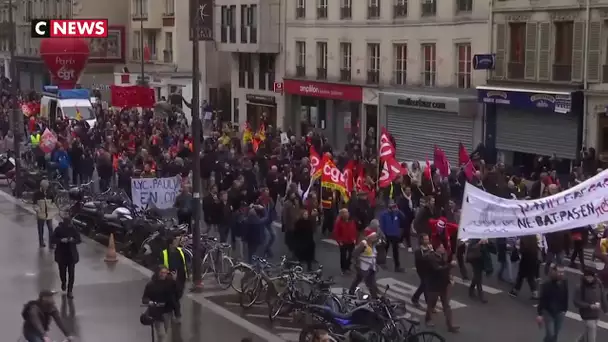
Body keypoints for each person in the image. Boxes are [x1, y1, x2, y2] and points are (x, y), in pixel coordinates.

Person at [424, 243, 460, 333]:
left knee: (446, 306)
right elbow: (438, 269)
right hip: (434, 285)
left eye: (443, 247)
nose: (443, 248)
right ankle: (427, 319)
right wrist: (450, 265)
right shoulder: (431, 257)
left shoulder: (443, 256)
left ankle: (450, 325)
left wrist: (449, 277)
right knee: (431, 305)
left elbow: (445, 269)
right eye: (441, 247)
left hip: (443, 285)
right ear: (436, 249)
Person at [142, 266, 179, 342]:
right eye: (162, 272)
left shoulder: (170, 283)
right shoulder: (151, 285)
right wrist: (150, 302)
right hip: (156, 312)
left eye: (165, 273)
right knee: (162, 334)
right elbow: (144, 298)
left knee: (164, 332)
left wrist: (175, 281)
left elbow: (177, 294)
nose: (163, 275)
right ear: (158, 273)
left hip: (167, 311)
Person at [573, 268, 608, 342]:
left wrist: (606, 310)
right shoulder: (580, 287)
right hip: (587, 315)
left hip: (596, 314)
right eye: (587, 277)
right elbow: (576, 301)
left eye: (590, 277)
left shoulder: (598, 283)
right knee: (591, 336)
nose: (589, 279)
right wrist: (589, 306)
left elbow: (603, 297)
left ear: (594, 276)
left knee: (588, 331)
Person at [51, 217, 81, 299]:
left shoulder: (73, 229)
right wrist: (61, 240)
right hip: (61, 254)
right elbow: (52, 239)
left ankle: (70, 290)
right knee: (62, 272)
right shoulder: (58, 229)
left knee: (71, 274)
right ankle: (63, 282)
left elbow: (79, 239)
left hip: (71, 255)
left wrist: (72, 240)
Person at [536, 264, 568, 342]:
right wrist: (540, 314)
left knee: (555, 333)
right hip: (548, 312)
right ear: (554, 272)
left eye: (562, 272)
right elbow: (542, 299)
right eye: (559, 272)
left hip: (560, 312)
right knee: (550, 333)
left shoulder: (564, 283)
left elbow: (566, 296)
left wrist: (565, 310)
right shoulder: (547, 285)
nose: (561, 274)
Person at [160, 235, 189, 322]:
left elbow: (184, 264)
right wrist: (169, 275)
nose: (177, 242)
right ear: (170, 244)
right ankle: (177, 315)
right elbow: (161, 267)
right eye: (175, 241)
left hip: (180, 278)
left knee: (177, 296)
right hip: (169, 279)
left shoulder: (180, 251)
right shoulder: (164, 253)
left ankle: (172, 311)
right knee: (174, 298)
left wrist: (186, 275)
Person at [349, 230, 380, 298]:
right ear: (369, 237)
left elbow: (373, 256)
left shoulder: (373, 244)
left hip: (371, 267)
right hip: (363, 267)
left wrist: (375, 265)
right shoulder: (363, 244)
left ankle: (351, 291)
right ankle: (374, 297)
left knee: (359, 279)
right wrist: (357, 263)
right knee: (369, 282)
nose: (376, 238)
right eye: (374, 237)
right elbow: (354, 253)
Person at [378, 200, 405, 272]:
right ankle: (382, 263)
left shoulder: (397, 213)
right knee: (385, 250)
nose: (393, 207)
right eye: (391, 206)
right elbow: (382, 225)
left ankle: (397, 266)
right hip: (386, 234)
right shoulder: (383, 214)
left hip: (395, 234)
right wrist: (382, 234)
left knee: (395, 251)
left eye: (393, 205)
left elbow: (403, 218)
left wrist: (398, 210)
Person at [333, 208, 357, 275]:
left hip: (351, 241)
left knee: (351, 255)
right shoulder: (339, 222)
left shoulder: (351, 221)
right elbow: (336, 233)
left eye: (347, 212)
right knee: (343, 255)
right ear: (341, 214)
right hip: (343, 242)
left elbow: (354, 230)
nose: (346, 214)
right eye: (344, 213)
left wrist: (354, 238)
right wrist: (339, 241)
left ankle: (348, 267)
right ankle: (343, 268)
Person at [33, 180, 56, 248]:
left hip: (49, 213)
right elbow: (34, 204)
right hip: (41, 213)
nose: (46, 188)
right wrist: (38, 210)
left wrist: (52, 209)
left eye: (47, 187)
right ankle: (41, 241)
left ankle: (51, 243)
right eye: (45, 187)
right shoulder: (37, 193)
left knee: (50, 228)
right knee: (40, 228)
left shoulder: (50, 193)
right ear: (42, 186)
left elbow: (53, 202)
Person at [412, 233, 433, 308]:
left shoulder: (429, 247)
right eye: (425, 239)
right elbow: (421, 259)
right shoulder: (418, 249)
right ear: (421, 240)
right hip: (421, 270)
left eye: (428, 239)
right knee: (425, 285)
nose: (427, 241)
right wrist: (429, 251)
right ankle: (428, 304)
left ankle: (415, 298)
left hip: (429, 269)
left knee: (424, 285)